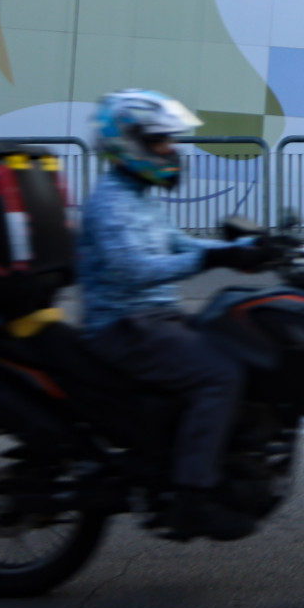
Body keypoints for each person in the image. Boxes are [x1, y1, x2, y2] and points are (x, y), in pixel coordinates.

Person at [78, 89, 273, 541]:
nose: (172, 150)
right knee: (219, 374)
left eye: (170, 140)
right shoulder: (111, 202)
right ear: (130, 142)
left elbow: (181, 244)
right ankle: (192, 495)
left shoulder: (139, 195)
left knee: (236, 340)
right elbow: (134, 270)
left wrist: (243, 250)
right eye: (161, 140)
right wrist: (214, 259)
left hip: (153, 319)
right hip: (124, 326)